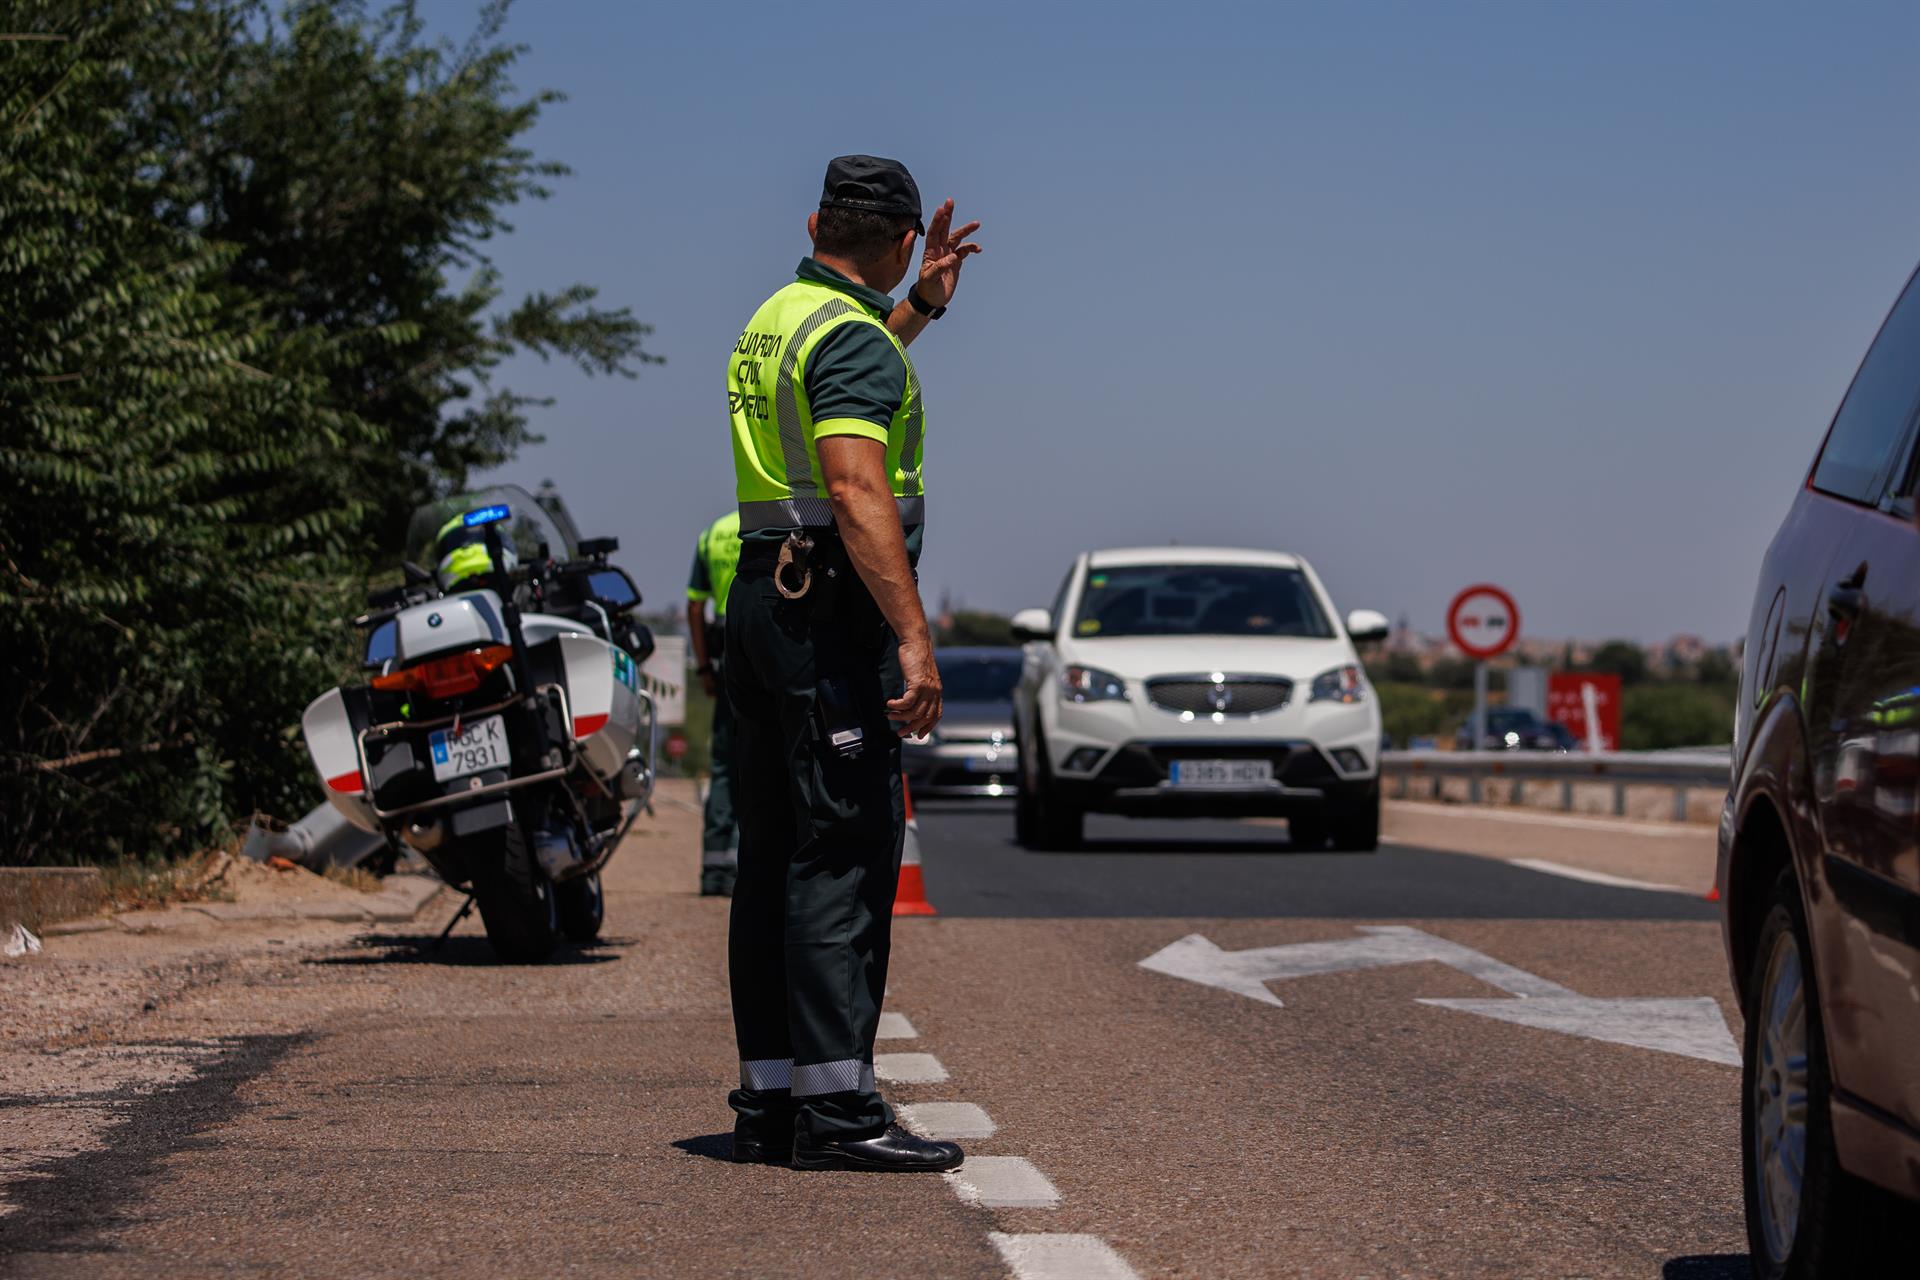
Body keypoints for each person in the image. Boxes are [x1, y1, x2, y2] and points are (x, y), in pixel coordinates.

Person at [723, 155, 980, 1171]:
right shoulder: (852, 345)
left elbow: (842, 375)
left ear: (817, 220)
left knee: (775, 855)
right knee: (843, 853)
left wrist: (918, 307)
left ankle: (774, 1103)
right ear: (907, 235)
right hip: (829, 618)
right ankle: (840, 1115)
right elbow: (856, 486)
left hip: (763, 604)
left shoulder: (782, 315)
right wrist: (913, 636)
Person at [686, 509, 743, 896]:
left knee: (723, 763)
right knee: (762, 758)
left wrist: (704, 666)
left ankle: (713, 870)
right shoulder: (777, 522)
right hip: (761, 642)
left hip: (723, 650)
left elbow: (694, 607)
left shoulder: (713, 533)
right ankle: (748, 864)